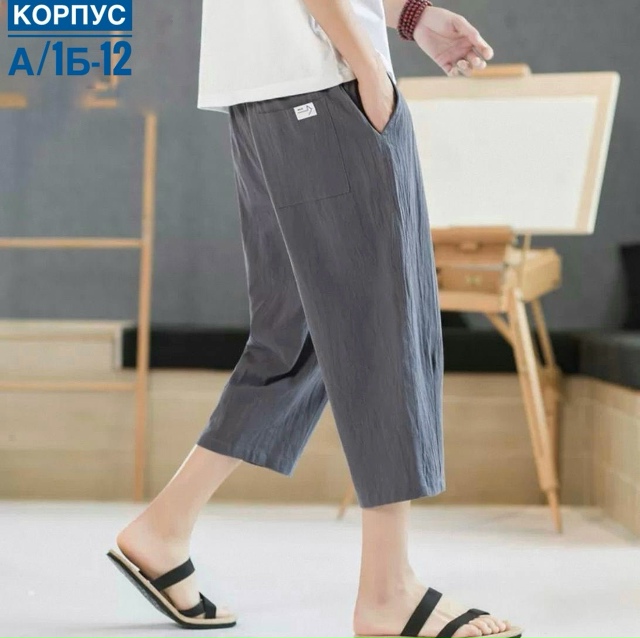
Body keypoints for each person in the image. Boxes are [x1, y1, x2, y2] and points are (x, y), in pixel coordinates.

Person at [108, 1, 523, 636]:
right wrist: (368, 67)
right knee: (383, 330)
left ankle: (164, 529)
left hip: (266, 95)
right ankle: (388, 591)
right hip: (325, 84)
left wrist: (407, 15)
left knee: (295, 336)